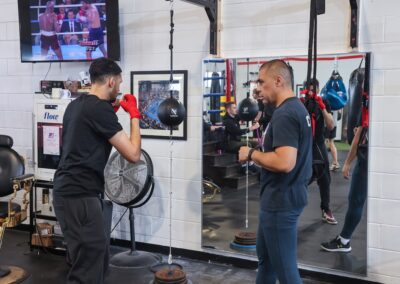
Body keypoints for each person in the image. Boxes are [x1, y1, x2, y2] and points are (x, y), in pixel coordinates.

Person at [53, 58, 141, 284]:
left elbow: (87, 133)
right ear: (111, 81)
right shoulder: (100, 110)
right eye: (119, 83)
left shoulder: (76, 104)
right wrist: (134, 116)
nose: (120, 88)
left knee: (96, 260)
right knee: (87, 268)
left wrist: (111, 110)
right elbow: (133, 154)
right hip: (79, 194)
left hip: (71, 192)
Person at [239, 60, 312, 284]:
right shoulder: (296, 108)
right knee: (267, 262)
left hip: (281, 201)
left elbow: (284, 163)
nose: (258, 88)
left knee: (287, 273)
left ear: (278, 80)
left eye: (261, 81)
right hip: (282, 198)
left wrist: (251, 154)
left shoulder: (286, 114)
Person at [320, 126, 368, 252]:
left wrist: (347, 163)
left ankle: (344, 241)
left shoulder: (369, 109)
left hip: (366, 157)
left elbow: (358, 134)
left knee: (356, 200)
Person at [303, 79, 337, 224]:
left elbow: (330, 125)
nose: (312, 92)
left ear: (317, 89)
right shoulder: (301, 103)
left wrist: (322, 107)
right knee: (300, 176)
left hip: (318, 143)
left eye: (314, 90)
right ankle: (291, 206)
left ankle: (326, 209)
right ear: (306, 90)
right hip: (303, 143)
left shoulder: (324, 102)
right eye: (309, 90)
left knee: (324, 178)